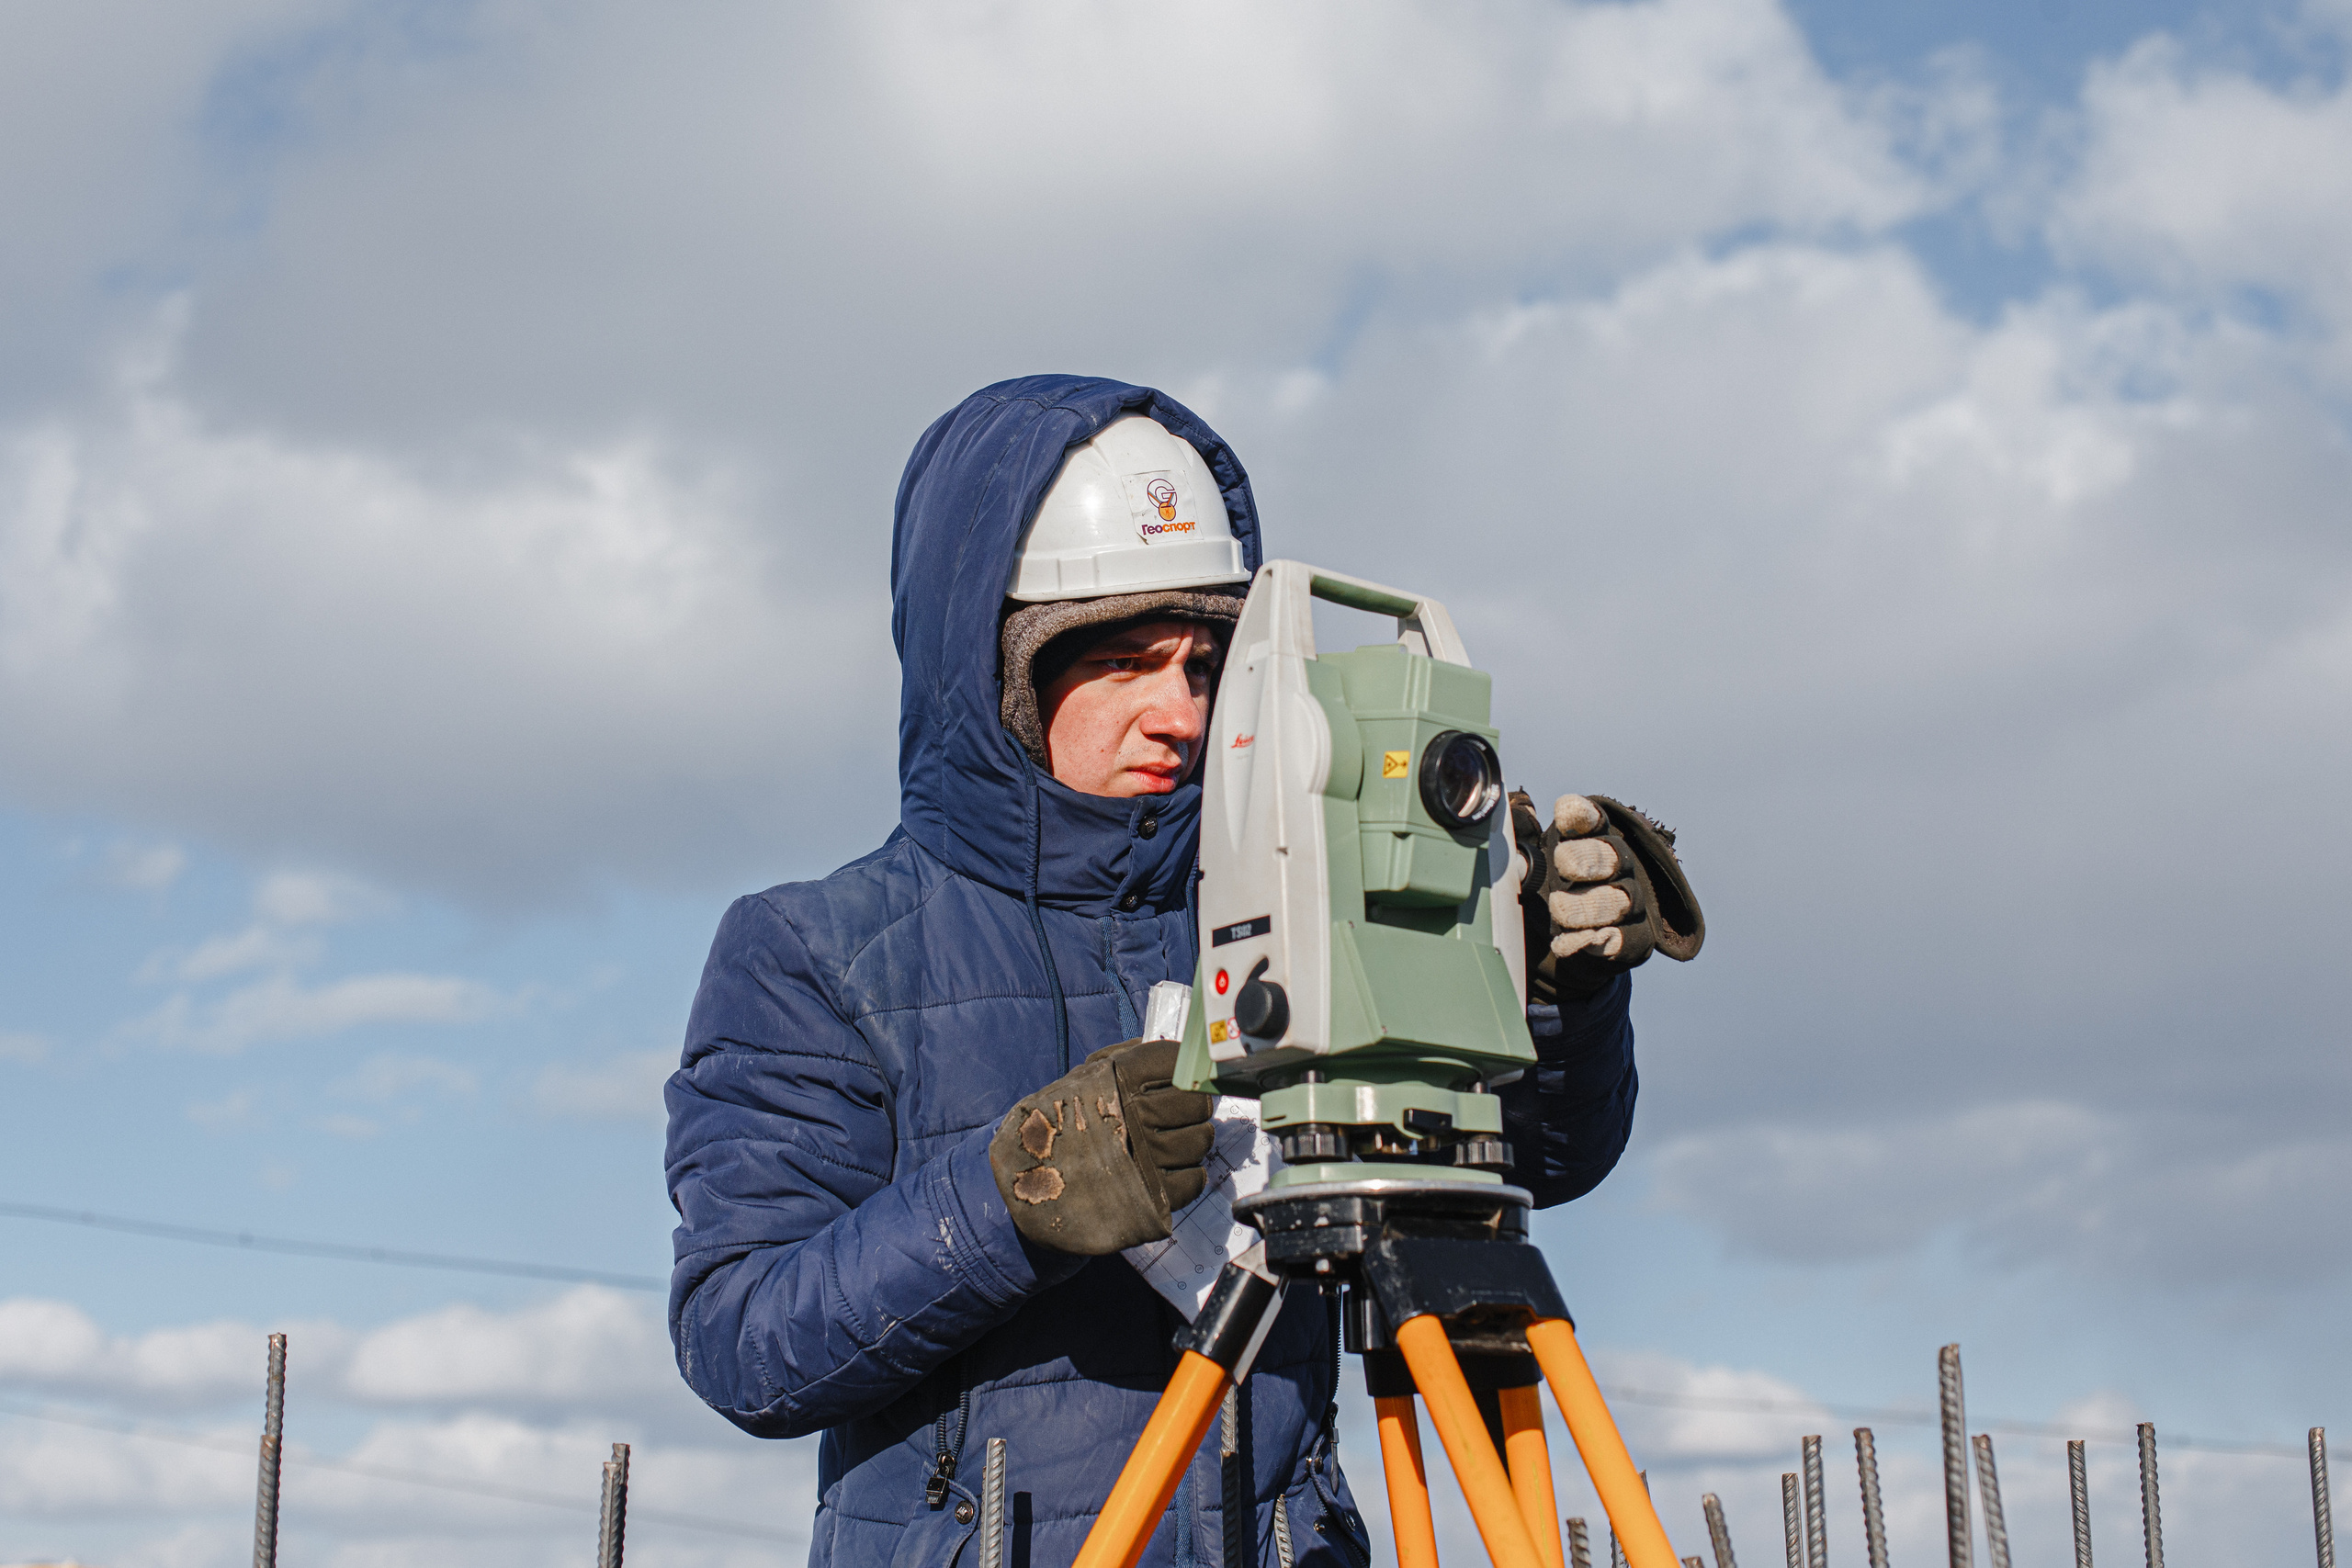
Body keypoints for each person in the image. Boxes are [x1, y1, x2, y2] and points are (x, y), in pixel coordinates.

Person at [663, 375, 1702, 1568]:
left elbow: (1536, 1162)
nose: (1178, 712)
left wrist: (1556, 990)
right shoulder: (814, 951)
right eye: (1121, 662)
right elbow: (742, 1345)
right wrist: (1011, 1203)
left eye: (1206, 664)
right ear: (995, 668)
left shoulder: (1282, 904)